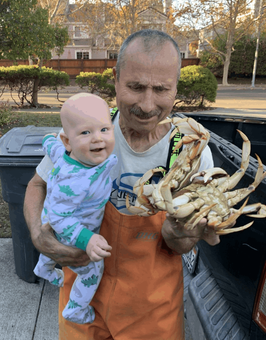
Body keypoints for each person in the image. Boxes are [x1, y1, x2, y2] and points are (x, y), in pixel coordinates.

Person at [24, 29, 221, 340]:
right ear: (114, 78)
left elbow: (182, 244)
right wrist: (37, 234)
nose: (147, 104)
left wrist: (179, 235)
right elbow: (38, 186)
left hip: (153, 311)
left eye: (161, 89)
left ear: (175, 87)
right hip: (83, 300)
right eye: (136, 87)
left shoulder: (191, 151)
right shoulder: (88, 129)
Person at [33, 93, 117, 324]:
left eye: (104, 129)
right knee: (93, 270)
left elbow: (51, 145)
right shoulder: (77, 181)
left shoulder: (65, 152)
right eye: (85, 132)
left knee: (51, 247)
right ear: (68, 141)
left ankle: (44, 269)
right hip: (70, 228)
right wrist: (87, 240)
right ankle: (76, 309)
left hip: (50, 214)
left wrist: (47, 139)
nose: (97, 139)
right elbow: (60, 220)